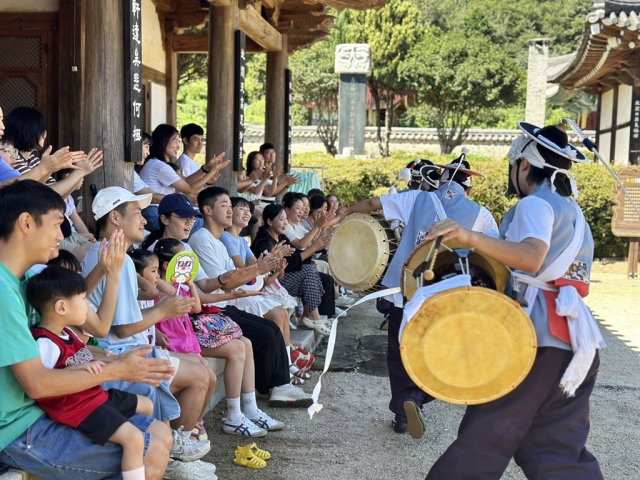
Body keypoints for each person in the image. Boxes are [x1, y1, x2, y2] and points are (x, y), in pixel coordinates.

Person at [423, 122, 603, 479]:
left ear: (523, 164)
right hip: (574, 336)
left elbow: (531, 258)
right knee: (555, 448)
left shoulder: (535, 204)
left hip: (532, 336)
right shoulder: (573, 211)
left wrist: (468, 235)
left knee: (484, 436)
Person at [0, 180, 175, 479]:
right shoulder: (4, 291)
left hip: (45, 406)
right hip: (17, 427)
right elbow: (37, 384)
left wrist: (107, 270)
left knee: (159, 432)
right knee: (150, 446)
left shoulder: (25, 276)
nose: (61, 235)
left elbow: (72, 309)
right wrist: (116, 369)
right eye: (57, 224)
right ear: (26, 223)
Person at [343, 155, 498, 435]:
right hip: (446, 294)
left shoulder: (415, 198)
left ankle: (402, 411)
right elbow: (494, 251)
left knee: (398, 350)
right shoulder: (481, 214)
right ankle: (418, 397)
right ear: (469, 189)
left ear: (439, 180)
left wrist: (343, 213)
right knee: (443, 351)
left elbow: (371, 205)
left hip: (405, 288)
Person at [82, 186, 217, 478]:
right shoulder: (106, 256)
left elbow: (126, 316)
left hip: (126, 347)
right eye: (137, 214)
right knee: (199, 375)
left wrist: (158, 302)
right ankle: (174, 454)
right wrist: (162, 311)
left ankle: (174, 448)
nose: (145, 220)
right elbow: (121, 327)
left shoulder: (117, 256)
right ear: (115, 218)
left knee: (202, 367)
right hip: (118, 352)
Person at [189, 186, 314, 406]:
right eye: (225, 205)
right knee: (266, 331)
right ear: (207, 210)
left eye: (230, 205)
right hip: (217, 306)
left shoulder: (216, 241)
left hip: (225, 302)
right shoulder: (201, 239)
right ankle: (273, 388)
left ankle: (280, 385)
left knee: (272, 328)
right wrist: (259, 268)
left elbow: (237, 279)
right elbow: (225, 284)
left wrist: (266, 266)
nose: (230, 211)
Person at [28, 266, 154, 480]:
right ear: (61, 307)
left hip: (93, 396)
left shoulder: (66, 331)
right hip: (77, 407)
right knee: (133, 439)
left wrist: (108, 356)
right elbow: (44, 380)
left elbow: (82, 350)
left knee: (147, 404)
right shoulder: (45, 342)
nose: (88, 305)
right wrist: (76, 369)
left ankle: (128, 444)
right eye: (83, 299)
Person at [155, 238, 286, 437]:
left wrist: (227, 295)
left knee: (245, 343)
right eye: (184, 260)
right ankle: (206, 423)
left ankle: (244, 410)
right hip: (175, 340)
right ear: (168, 264)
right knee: (232, 352)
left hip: (187, 336)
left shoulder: (180, 284)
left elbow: (197, 306)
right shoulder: (160, 288)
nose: (188, 264)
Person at [221, 197, 315, 381]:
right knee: (277, 313)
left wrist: (274, 262)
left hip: (247, 288)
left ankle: (286, 362)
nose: (247, 213)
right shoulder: (226, 238)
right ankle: (283, 366)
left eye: (249, 209)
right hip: (234, 293)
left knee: (281, 313)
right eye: (241, 209)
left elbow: (258, 274)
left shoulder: (240, 240)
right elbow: (245, 270)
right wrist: (269, 260)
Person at [252, 204, 335, 336]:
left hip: (280, 279)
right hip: (269, 285)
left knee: (310, 268)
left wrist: (314, 246)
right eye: (281, 219)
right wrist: (312, 248)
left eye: (286, 219)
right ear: (269, 221)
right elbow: (289, 265)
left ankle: (311, 316)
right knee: (308, 271)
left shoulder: (280, 238)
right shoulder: (264, 241)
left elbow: (296, 257)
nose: (285, 223)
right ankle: (312, 317)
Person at [140, 124, 228, 230]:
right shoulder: (159, 166)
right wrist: (212, 171)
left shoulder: (157, 164)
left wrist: (205, 169)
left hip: (156, 212)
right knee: (204, 224)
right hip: (153, 213)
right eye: (175, 141)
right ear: (164, 141)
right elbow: (189, 189)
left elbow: (186, 181)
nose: (178, 146)